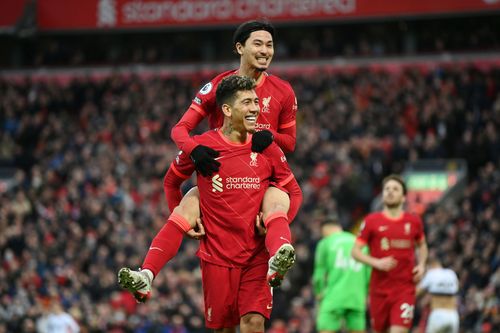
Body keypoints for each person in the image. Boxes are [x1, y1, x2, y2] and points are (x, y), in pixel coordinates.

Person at [118, 75, 301, 332]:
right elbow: (171, 183)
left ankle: (278, 255)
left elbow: (295, 192)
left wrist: (275, 228)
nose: (255, 109)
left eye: (256, 102)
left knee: (253, 321)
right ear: (227, 109)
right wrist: (186, 220)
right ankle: (146, 274)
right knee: (222, 328)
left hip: (256, 255)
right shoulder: (203, 146)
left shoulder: (266, 147)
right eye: (247, 103)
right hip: (217, 255)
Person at [166, 19, 301, 287]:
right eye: (258, 44)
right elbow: (180, 129)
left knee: (254, 315)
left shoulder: (283, 91)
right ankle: (147, 273)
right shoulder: (218, 87)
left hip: (261, 181)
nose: (265, 51)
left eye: (270, 45)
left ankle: (277, 259)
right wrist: (195, 150)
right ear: (240, 47)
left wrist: (270, 135)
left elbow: (290, 143)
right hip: (223, 184)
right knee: (222, 320)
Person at [351, 174, 428, 333]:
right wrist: (376, 262)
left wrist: (421, 265)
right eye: (387, 189)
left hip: (404, 289)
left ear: (403, 197)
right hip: (379, 290)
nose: (390, 192)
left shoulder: (413, 221)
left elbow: (422, 245)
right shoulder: (372, 221)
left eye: (395, 189)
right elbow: (355, 252)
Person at [313, 215, 370, 333]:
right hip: (357, 298)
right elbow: (369, 272)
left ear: (325, 230)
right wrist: (366, 294)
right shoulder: (359, 243)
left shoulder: (325, 243)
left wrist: (319, 293)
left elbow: (319, 274)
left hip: (333, 297)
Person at [417, 256, 460, 333]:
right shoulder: (451, 273)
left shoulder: (431, 274)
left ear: (430, 266)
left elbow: (416, 292)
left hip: (438, 315)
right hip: (453, 315)